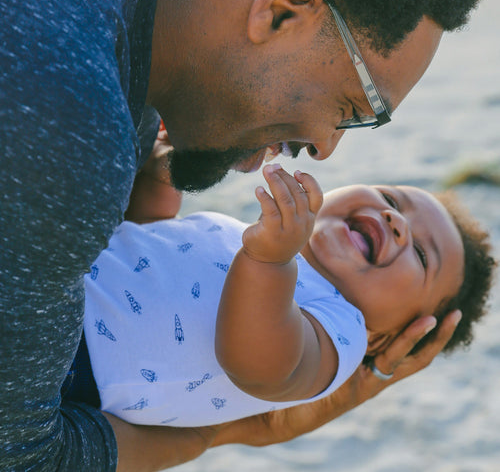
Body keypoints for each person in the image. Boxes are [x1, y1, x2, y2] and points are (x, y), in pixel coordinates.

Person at [0, 0, 493, 470]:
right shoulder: (64, 118)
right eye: (354, 105)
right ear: (285, 12)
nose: (326, 145)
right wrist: (220, 435)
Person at [72, 162, 495, 428]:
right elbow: (148, 251)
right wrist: (165, 173)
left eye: (422, 254)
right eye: (391, 199)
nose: (394, 219)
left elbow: (258, 365)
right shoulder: (250, 237)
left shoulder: (340, 331)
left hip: (76, 366)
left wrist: (270, 261)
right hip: (63, 275)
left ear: (383, 338)